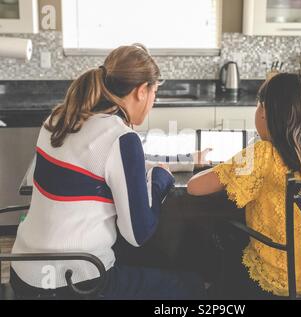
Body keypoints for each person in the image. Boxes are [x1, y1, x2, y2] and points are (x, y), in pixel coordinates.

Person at [10, 44, 206, 300]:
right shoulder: (120, 138)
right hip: (77, 281)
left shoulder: (58, 119)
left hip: (24, 273)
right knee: (187, 285)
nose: (153, 102)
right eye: (154, 92)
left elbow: (110, 164)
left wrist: (185, 160)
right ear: (141, 91)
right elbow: (138, 234)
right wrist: (161, 179)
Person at [187, 73, 301, 298]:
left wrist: (222, 165)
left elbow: (195, 186)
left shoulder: (263, 154)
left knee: (222, 238)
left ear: (264, 111)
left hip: (280, 281)